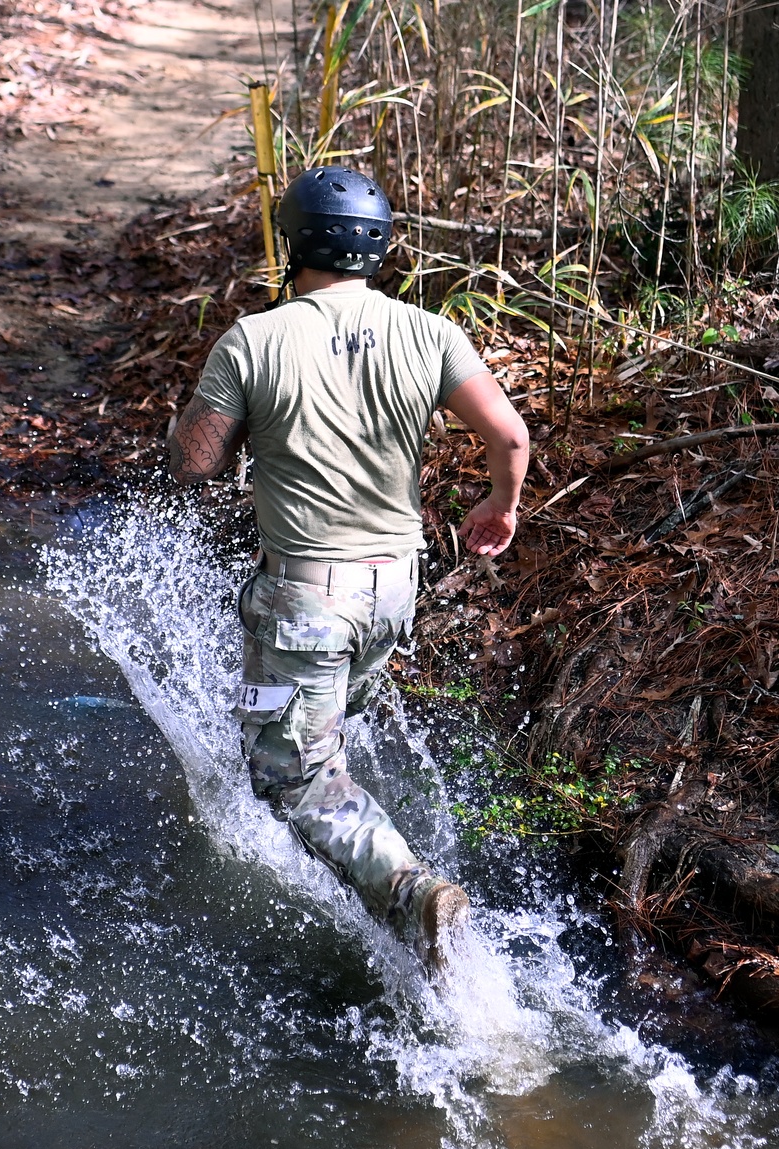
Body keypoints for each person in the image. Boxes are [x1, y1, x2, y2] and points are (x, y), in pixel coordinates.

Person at [168, 166, 529, 973]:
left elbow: (195, 461)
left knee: (288, 784)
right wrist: (499, 506)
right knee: (323, 737)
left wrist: (191, 418)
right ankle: (355, 820)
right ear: (379, 246)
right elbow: (508, 439)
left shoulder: (255, 339)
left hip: (306, 596)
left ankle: (410, 888)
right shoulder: (431, 334)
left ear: (293, 242)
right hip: (392, 591)